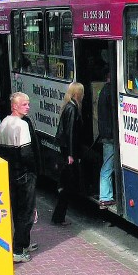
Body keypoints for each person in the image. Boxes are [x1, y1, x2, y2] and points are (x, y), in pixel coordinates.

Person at [0, 92, 40, 263]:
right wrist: (33, 170)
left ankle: (24, 242)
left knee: (16, 210)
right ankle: (19, 249)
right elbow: (26, 153)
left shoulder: (4, 123)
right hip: (23, 174)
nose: (28, 107)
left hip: (10, 173)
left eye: (28, 104)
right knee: (26, 212)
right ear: (14, 106)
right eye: (24, 104)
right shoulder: (21, 125)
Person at [52, 82, 85, 226]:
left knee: (66, 184)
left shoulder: (68, 105)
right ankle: (59, 217)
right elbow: (70, 132)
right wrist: (71, 155)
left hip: (66, 150)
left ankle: (58, 216)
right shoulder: (72, 108)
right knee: (67, 186)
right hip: (69, 152)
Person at [97, 79, 116, 209]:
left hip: (106, 133)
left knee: (108, 165)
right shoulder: (110, 92)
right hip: (110, 135)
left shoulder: (104, 90)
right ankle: (105, 197)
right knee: (108, 166)